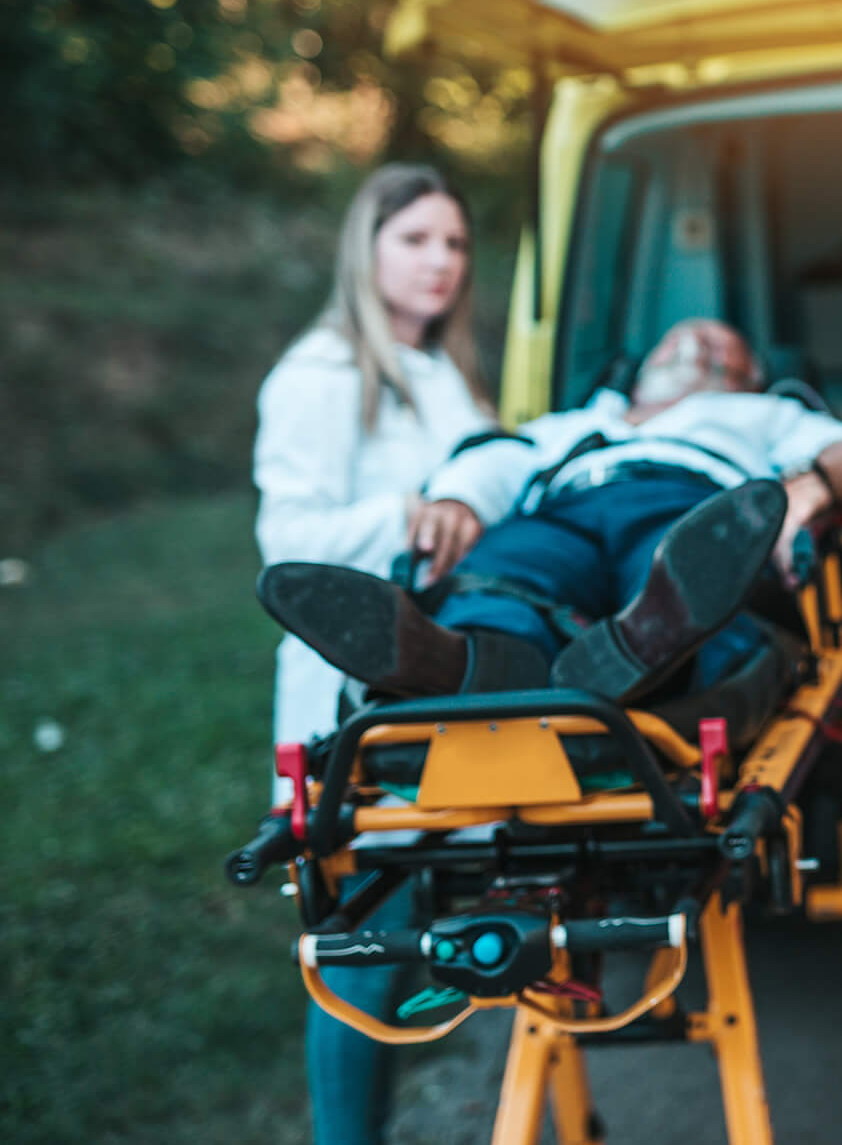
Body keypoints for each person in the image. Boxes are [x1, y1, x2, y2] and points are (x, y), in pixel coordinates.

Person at [258, 317, 842, 725]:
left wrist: (813, 486)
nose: (695, 343)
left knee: (684, 572)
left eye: (719, 348)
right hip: (564, 507)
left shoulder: (763, 415)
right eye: (675, 340)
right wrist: (458, 500)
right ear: (642, 372)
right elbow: (501, 460)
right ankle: (454, 659)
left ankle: (642, 649)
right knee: (502, 575)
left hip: (691, 504)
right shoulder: (581, 422)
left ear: (749, 378)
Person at [252, 162, 498, 1145]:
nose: (440, 262)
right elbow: (287, 549)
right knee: (360, 955)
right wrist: (411, 516)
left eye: (455, 245)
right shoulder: (319, 376)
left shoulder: (440, 372)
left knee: (431, 938)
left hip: (437, 695)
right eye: (416, 241)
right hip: (347, 709)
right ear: (368, 248)